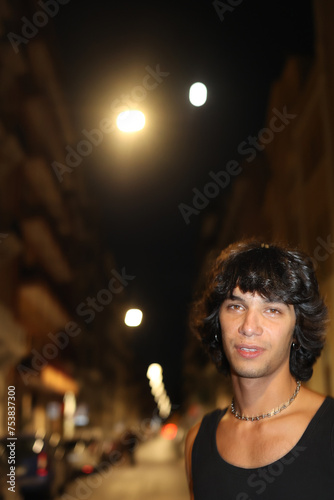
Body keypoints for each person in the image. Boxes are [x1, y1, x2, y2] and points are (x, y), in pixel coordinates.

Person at [185, 239, 334, 500]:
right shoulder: (197, 443)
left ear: (297, 331)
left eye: (272, 310)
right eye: (236, 306)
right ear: (217, 324)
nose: (249, 326)